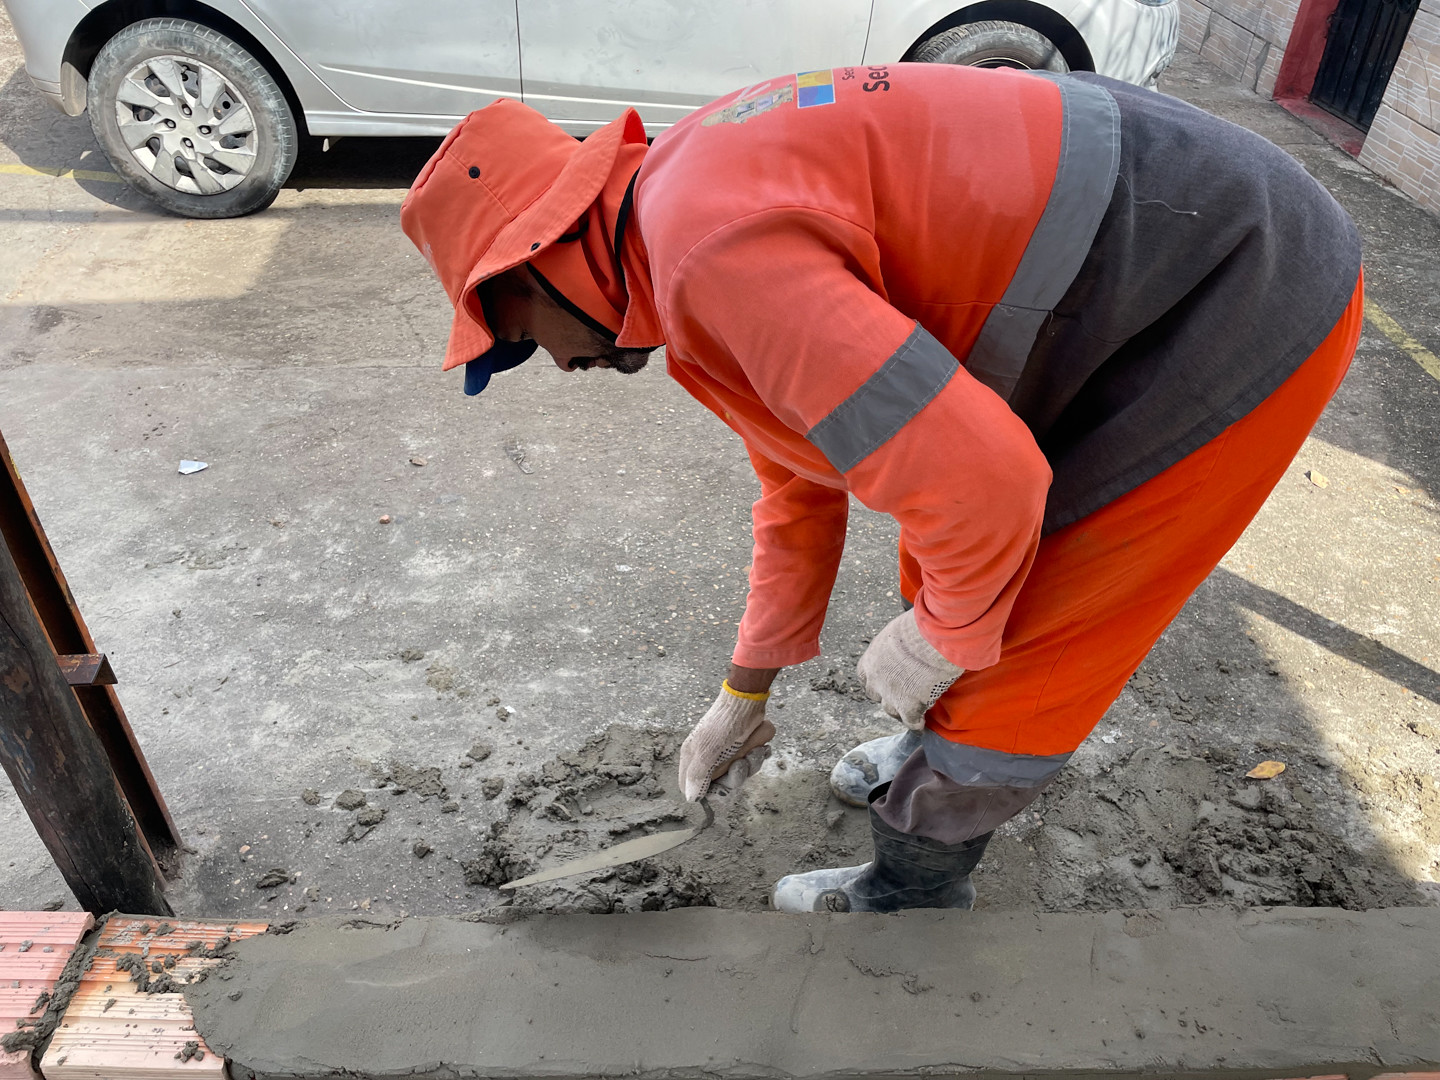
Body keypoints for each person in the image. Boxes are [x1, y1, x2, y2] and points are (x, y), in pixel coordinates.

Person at [400, 62, 1362, 913]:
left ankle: (912, 893)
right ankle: (917, 755)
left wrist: (947, 637)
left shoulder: (709, 258)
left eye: (522, 338)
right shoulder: (669, 224)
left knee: (1034, 625)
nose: (555, 366)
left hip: (1234, 278)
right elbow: (797, 486)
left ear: (540, 259)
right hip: (1137, 245)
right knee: (952, 555)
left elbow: (987, 487)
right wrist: (744, 691)